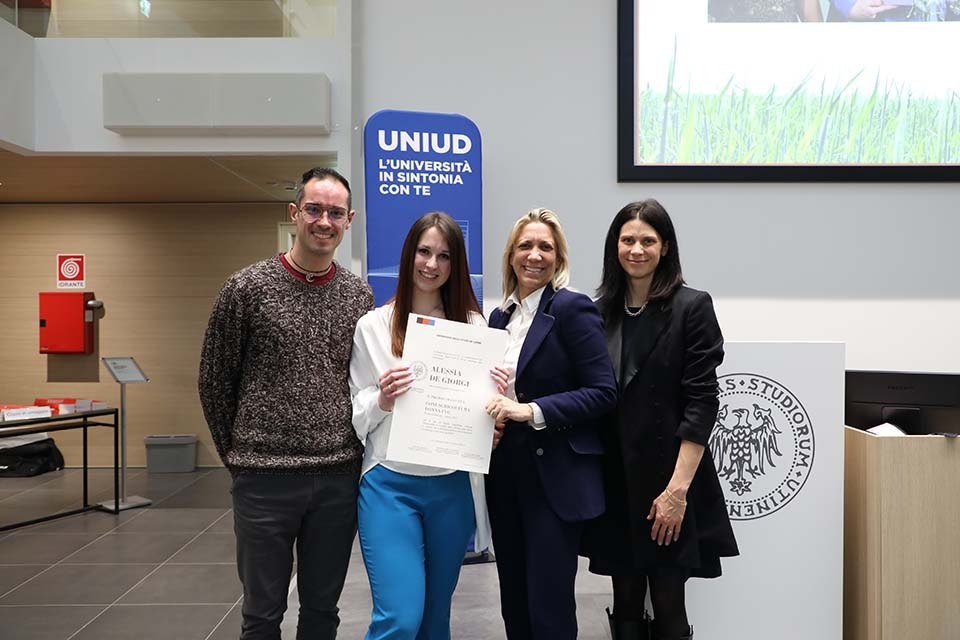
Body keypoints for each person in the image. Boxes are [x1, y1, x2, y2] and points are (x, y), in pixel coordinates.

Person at [198, 167, 374, 640]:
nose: (324, 221)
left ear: (349, 220)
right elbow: (215, 381)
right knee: (262, 615)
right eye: (314, 209)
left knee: (322, 611)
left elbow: (363, 385)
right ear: (294, 213)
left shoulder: (360, 296)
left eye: (335, 213)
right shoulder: (246, 288)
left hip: (337, 478)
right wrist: (239, 458)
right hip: (264, 479)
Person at [584, 199, 739, 640]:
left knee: (670, 602)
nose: (637, 249)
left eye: (647, 240)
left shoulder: (692, 306)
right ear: (615, 246)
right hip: (617, 481)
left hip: (669, 483)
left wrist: (676, 492)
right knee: (626, 601)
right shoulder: (599, 312)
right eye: (628, 239)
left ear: (665, 247)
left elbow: (702, 403)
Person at [349, 211, 500, 640]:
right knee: (399, 618)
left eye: (444, 256)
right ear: (408, 255)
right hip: (389, 486)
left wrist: (499, 398)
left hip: (451, 488)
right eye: (424, 251)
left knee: (435, 622)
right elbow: (356, 414)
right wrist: (382, 399)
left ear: (456, 265)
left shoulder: (474, 329)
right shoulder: (373, 326)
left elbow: (483, 416)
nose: (431, 264)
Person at [484, 208, 617, 640]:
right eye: (525, 246)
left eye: (545, 247)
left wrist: (532, 410)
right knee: (514, 597)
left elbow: (603, 392)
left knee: (548, 600)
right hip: (505, 472)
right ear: (511, 255)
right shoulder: (499, 318)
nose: (534, 255)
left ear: (558, 257)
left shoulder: (572, 308)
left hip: (554, 474)